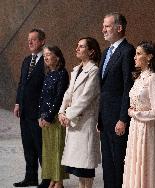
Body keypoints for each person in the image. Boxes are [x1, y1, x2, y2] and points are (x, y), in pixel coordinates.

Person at [98, 12, 135, 188]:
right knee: (107, 163)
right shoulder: (106, 52)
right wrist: (100, 117)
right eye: (103, 26)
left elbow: (128, 87)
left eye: (107, 26)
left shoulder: (128, 51)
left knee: (118, 161)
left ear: (119, 28)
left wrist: (123, 118)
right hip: (105, 118)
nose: (103, 29)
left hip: (118, 118)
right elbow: (103, 88)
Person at [58, 37, 101, 188]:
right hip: (73, 121)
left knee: (85, 169)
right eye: (77, 46)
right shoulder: (76, 70)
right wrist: (61, 113)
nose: (77, 48)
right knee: (77, 168)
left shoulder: (94, 71)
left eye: (81, 46)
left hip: (84, 124)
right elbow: (68, 93)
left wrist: (68, 114)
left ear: (91, 51)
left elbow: (86, 98)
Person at [122, 41, 155, 188]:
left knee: (145, 166)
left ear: (149, 57)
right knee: (134, 165)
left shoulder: (152, 79)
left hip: (147, 130)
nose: (135, 57)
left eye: (139, 53)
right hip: (135, 129)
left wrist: (135, 113)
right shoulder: (139, 78)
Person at [13, 28, 50, 187]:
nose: (30, 42)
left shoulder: (47, 61)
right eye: (29, 39)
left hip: (38, 113)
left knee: (41, 147)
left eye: (33, 39)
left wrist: (45, 112)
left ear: (42, 41)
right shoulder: (27, 60)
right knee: (28, 146)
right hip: (25, 111)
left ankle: (47, 179)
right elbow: (22, 84)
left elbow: (48, 88)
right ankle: (30, 177)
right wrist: (17, 103)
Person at [39, 45, 69, 188]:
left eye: (49, 54)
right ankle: (52, 178)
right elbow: (43, 97)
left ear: (57, 57)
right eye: (44, 54)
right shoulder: (48, 74)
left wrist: (49, 117)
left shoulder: (62, 74)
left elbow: (59, 98)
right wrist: (41, 116)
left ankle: (59, 180)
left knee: (58, 149)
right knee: (49, 150)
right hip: (45, 118)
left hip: (56, 118)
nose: (46, 57)